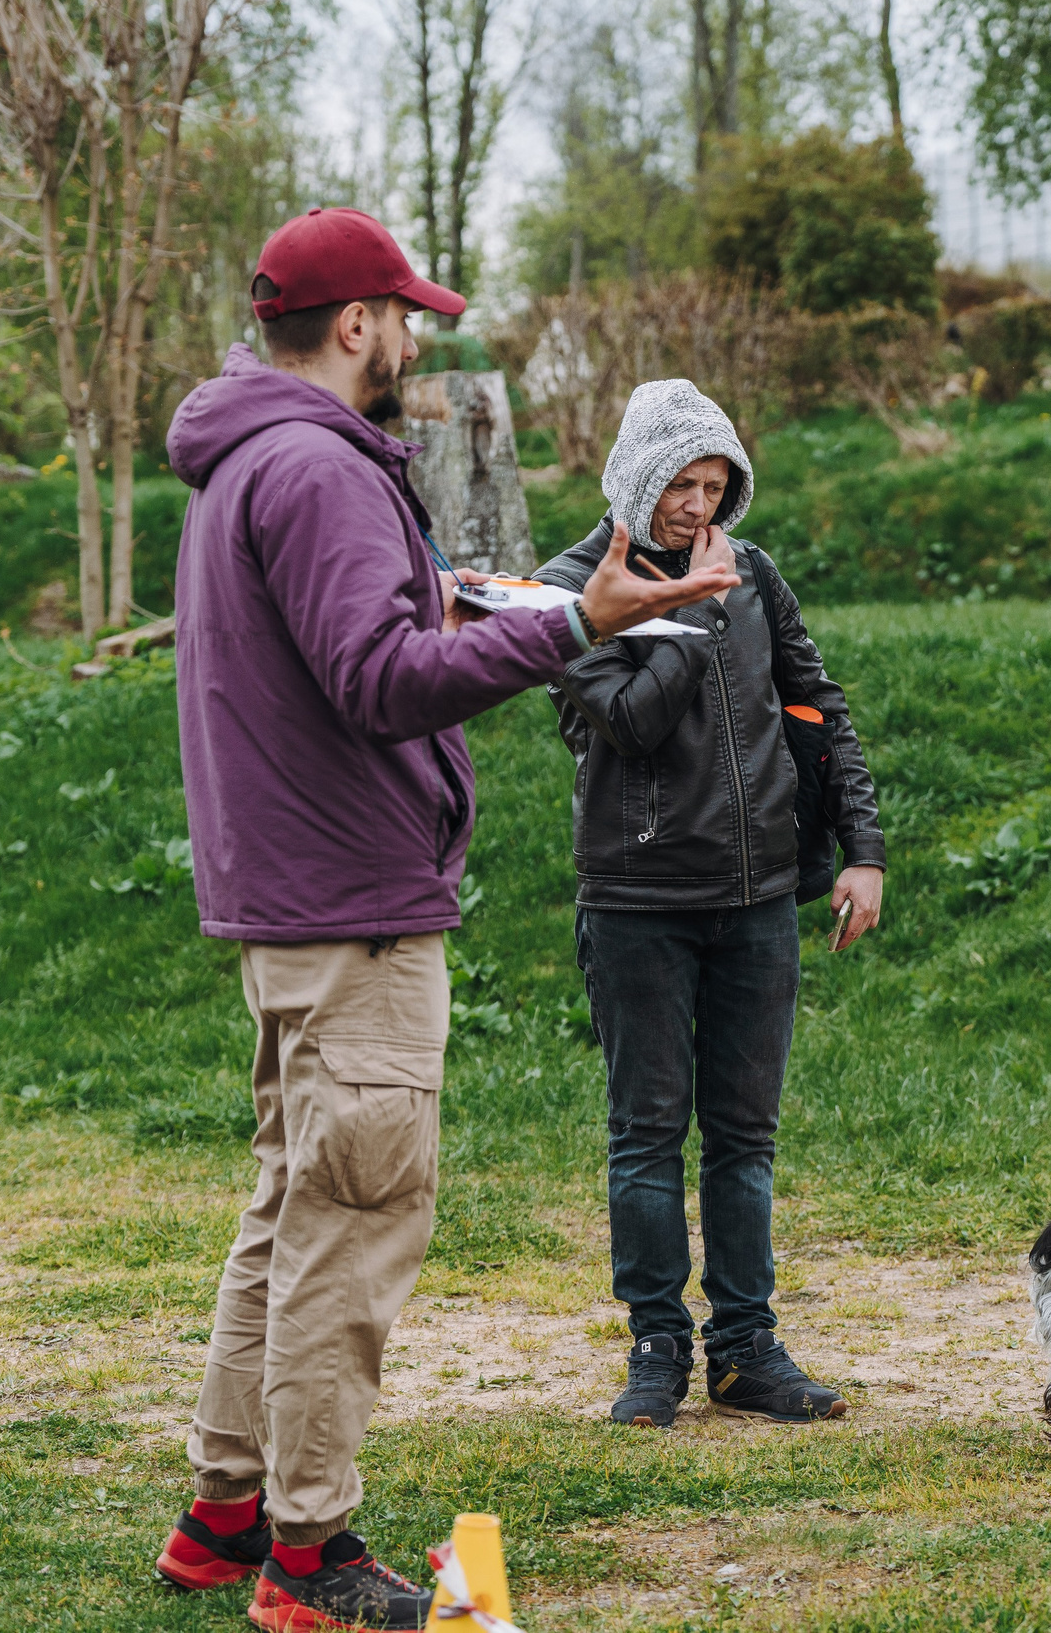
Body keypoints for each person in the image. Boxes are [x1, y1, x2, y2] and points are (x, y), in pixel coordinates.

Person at [150, 208, 734, 1633]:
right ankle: (310, 1559)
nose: (414, 340)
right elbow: (378, 680)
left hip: (293, 899)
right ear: (353, 325)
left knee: (290, 1207)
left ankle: (227, 1512)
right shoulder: (324, 468)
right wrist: (574, 624)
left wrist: (465, 599)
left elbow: (345, 651)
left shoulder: (246, 462)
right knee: (353, 1221)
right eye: (405, 317)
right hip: (350, 906)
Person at [532, 379, 887, 1429]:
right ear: (637, 484)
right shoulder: (568, 589)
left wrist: (860, 848)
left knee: (745, 1136)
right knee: (647, 1133)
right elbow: (630, 725)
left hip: (759, 897)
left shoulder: (753, 569)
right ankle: (656, 1349)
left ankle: (746, 1347)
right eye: (679, 486)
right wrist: (685, 608)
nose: (699, 508)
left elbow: (819, 706)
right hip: (637, 897)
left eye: (715, 485)